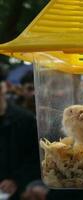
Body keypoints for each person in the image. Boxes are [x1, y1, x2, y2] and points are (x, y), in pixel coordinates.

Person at [0, 67, 40, 200]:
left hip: (19, 191)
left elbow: (36, 158)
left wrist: (16, 180)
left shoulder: (25, 119)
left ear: (5, 86)